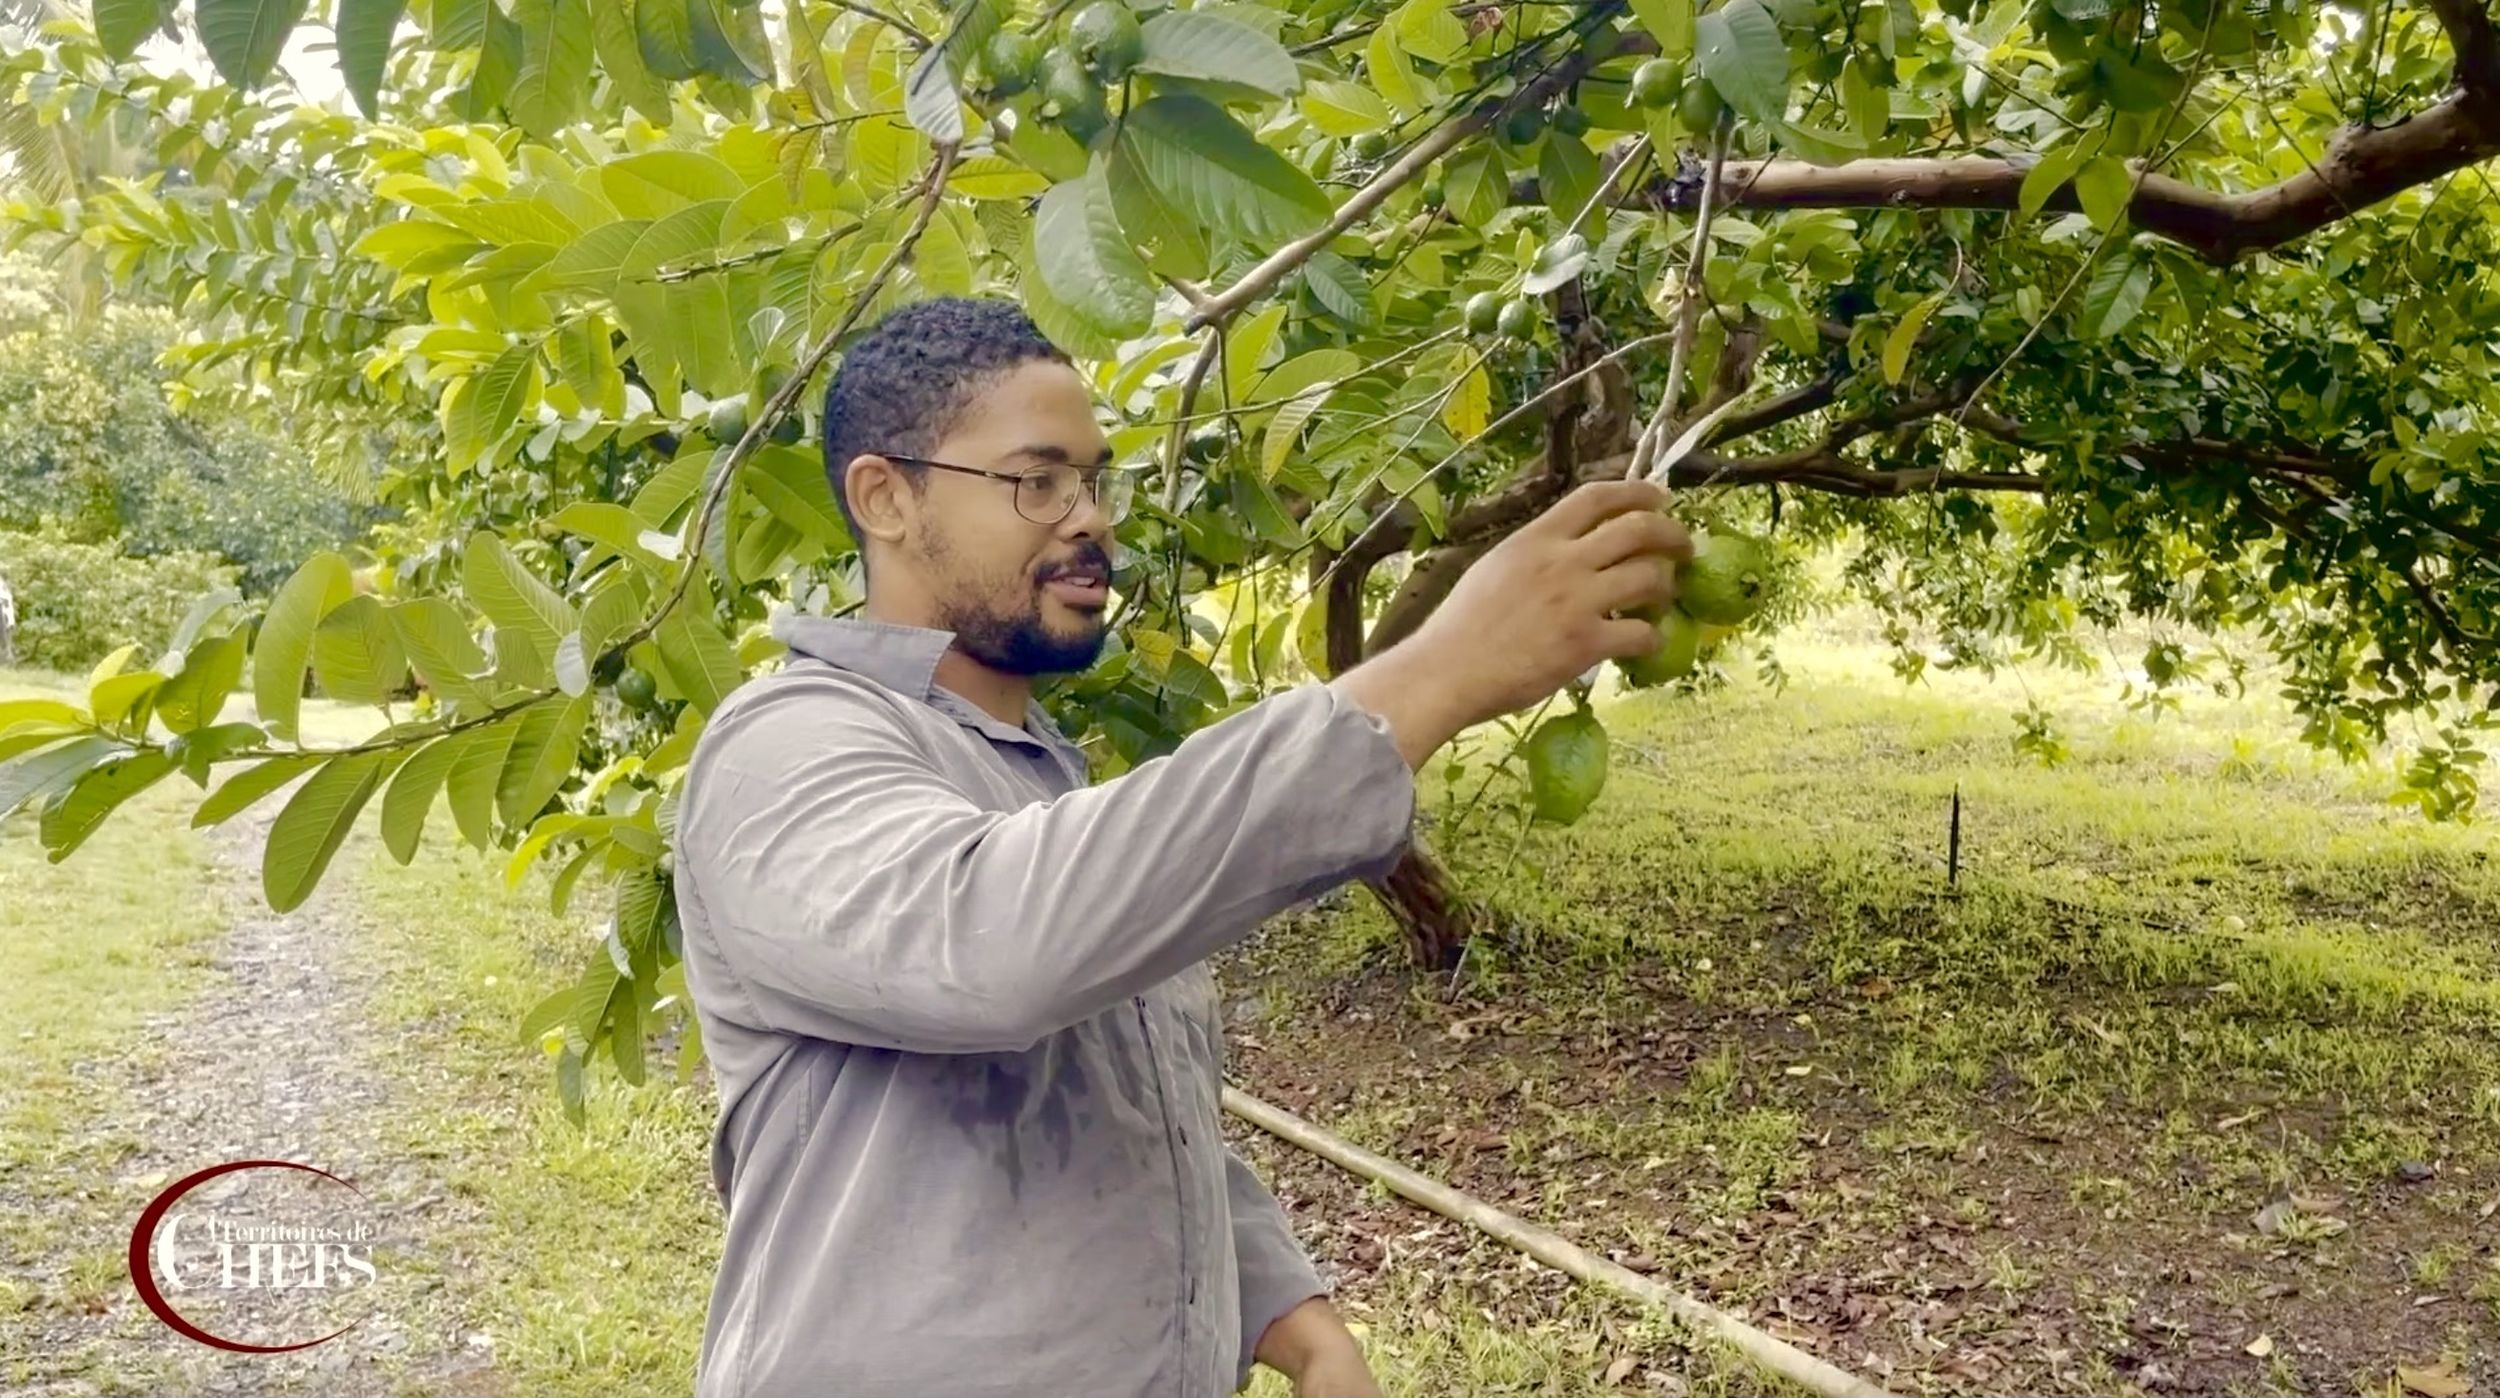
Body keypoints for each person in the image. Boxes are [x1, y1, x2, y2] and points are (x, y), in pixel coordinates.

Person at [672, 296, 1692, 1398]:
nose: (1090, 520)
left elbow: (1123, 1108)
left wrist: (1294, 1320)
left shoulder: (1041, 776)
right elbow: (992, 949)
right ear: (886, 496)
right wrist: (1437, 672)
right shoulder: (784, 747)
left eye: (1094, 479)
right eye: (1038, 480)